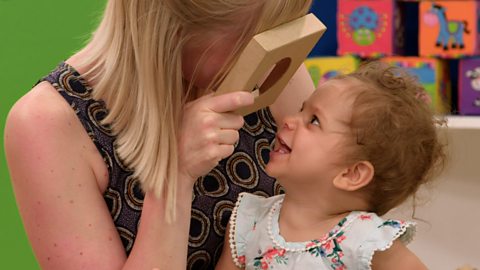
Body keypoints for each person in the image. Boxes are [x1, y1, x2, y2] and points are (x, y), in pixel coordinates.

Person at [4, 0, 317, 269]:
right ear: (172, 30)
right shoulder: (48, 123)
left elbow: (343, 206)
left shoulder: (272, 65)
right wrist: (175, 177)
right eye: (251, 43)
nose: (269, 72)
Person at [215, 61, 447, 270]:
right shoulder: (249, 221)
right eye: (300, 110)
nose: (288, 120)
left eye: (314, 120)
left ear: (351, 173)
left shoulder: (366, 240)